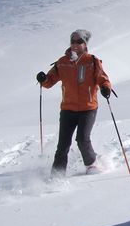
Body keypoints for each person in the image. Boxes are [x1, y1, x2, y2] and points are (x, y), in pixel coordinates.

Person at [36, 29, 112, 176]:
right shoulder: (62, 62)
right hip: (68, 109)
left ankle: (92, 164)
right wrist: (43, 79)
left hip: (88, 108)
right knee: (62, 145)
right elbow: (49, 81)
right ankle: (57, 175)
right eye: (73, 41)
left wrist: (105, 88)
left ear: (85, 44)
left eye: (79, 41)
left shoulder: (92, 61)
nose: (75, 44)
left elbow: (103, 78)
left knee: (82, 138)